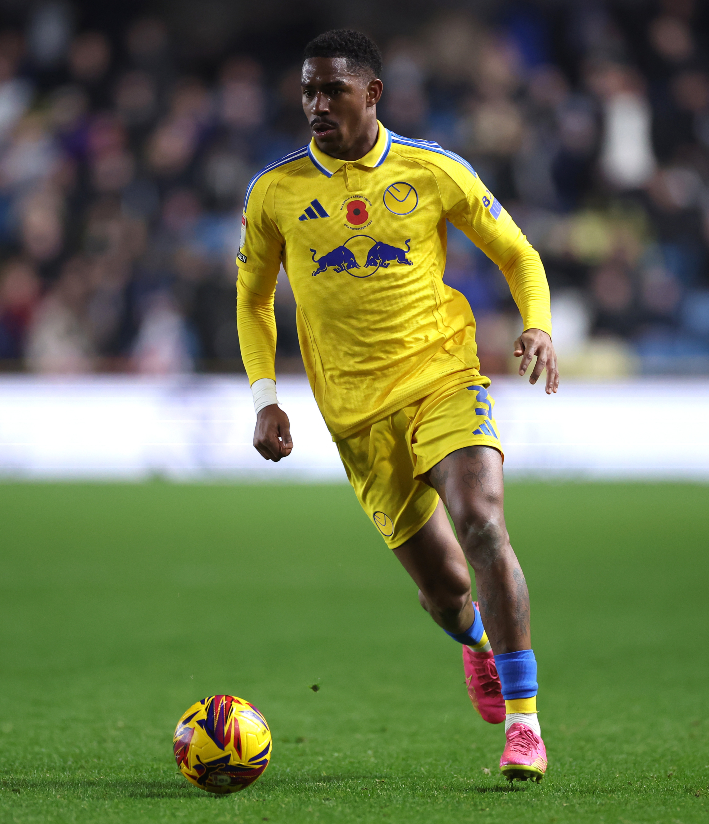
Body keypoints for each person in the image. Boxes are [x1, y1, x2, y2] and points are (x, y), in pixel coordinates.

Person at [236, 29, 558, 782]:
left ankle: (525, 725)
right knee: (446, 593)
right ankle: (477, 644)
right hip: (355, 419)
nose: (316, 104)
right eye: (308, 90)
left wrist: (537, 324)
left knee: (483, 521)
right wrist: (265, 398)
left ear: (372, 93)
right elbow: (252, 302)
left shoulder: (434, 168)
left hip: (443, 379)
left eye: (332, 90)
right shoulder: (275, 192)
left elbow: (518, 253)